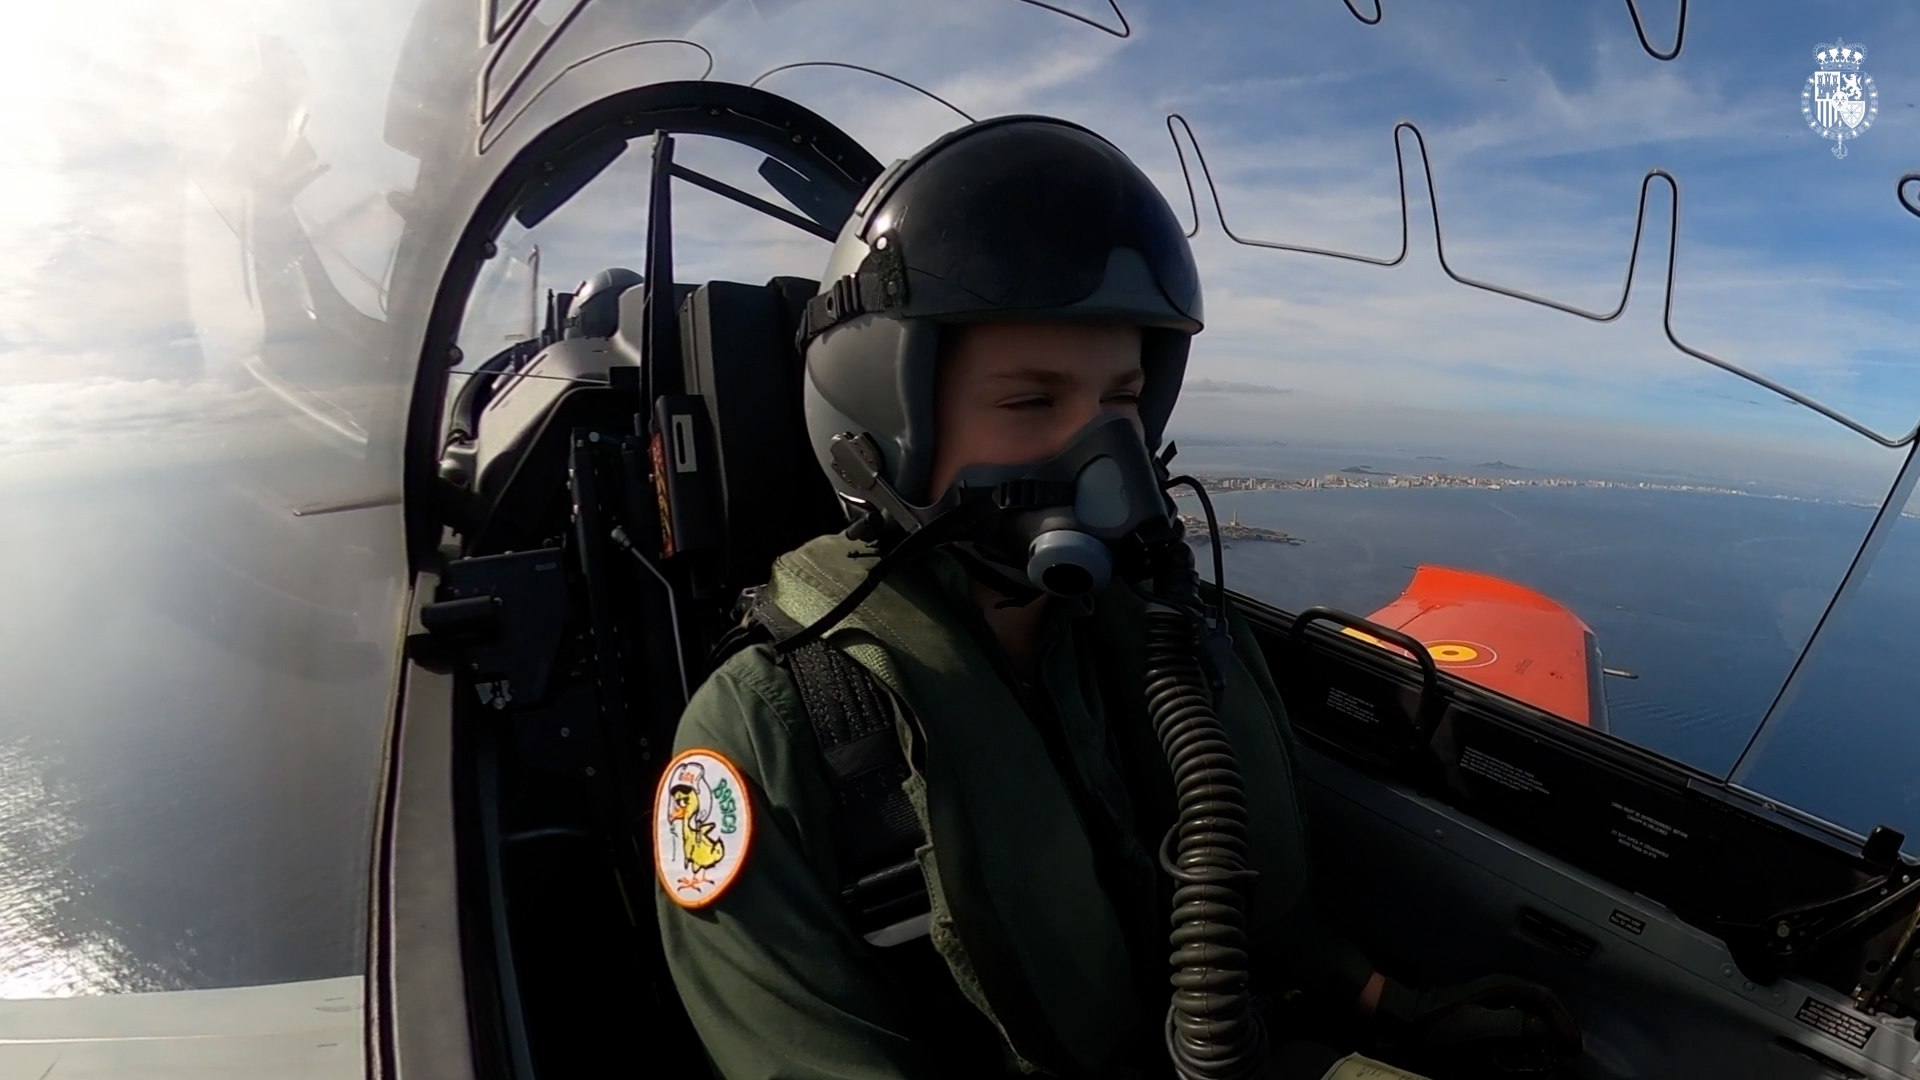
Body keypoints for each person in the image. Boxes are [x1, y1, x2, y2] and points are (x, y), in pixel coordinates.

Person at [652, 115, 1579, 1079]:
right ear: (879, 430)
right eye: (1030, 401)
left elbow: (1244, 908)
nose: (1106, 457)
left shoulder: (1155, 639)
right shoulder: (771, 736)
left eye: (1123, 401)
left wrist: (1390, 1004)